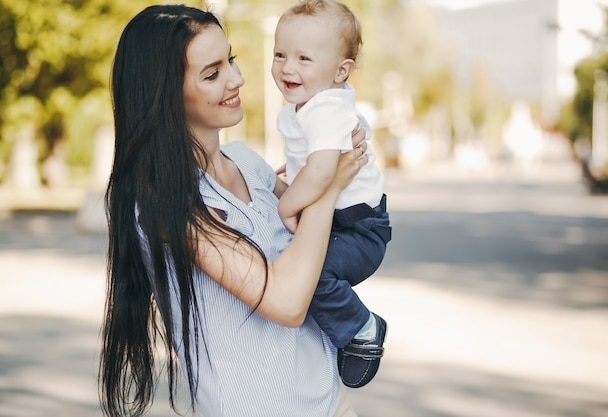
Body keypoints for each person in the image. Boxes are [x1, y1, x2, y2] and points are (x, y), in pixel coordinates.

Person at [99, 4, 369, 417]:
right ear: (164, 93)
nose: (237, 79)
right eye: (212, 73)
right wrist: (328, 185)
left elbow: (316, 238)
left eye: (231, 60)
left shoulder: (248, 162)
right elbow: (286, 301)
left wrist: (328, 156)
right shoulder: (163, 205)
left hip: (333, 404)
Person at [271, 0, 392, 388]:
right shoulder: (310, 106)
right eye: (280, 54)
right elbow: (313, 160)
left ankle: (362, 327)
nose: (288, 67)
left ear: (341, 71)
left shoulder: (325, 107)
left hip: (358, 229)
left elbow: (323, 170)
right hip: (341, 223)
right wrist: (292, 169)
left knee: (315, 274)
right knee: (304, 269)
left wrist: (288, 201)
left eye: (304, 58)